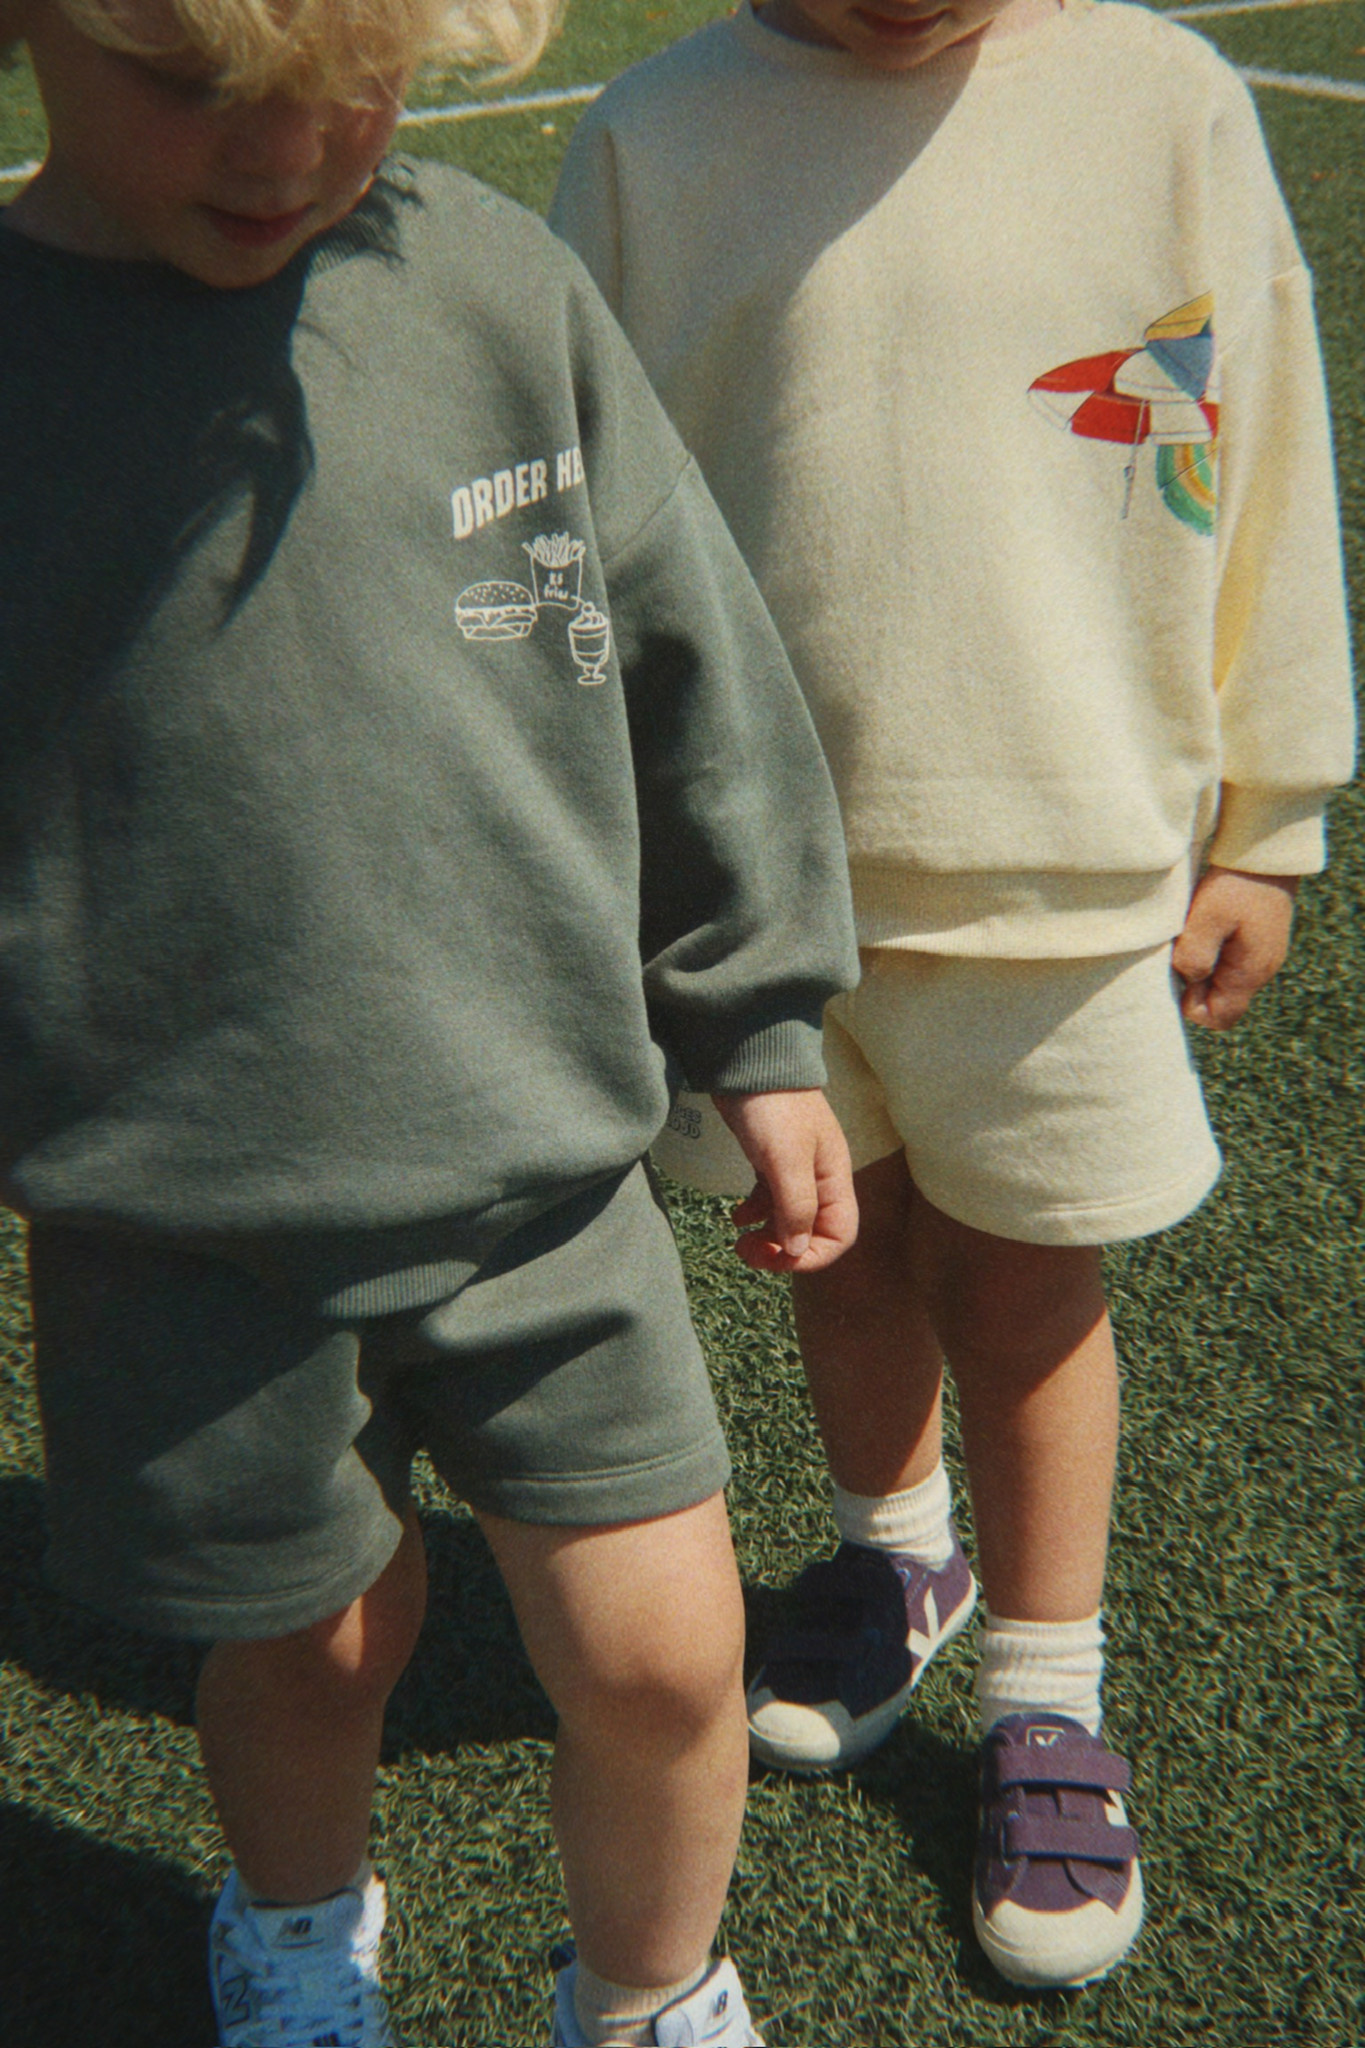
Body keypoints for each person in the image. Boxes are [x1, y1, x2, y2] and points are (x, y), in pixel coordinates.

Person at [0, 4, 863, 2043]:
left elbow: (685, 652)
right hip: (181, 1223)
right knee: (309, 1650)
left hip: (537, 1175)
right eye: (194, 83)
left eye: (345, 84)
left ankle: (650, 1996)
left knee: (664, 1655)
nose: (282, 151)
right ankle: (298, 1942)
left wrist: (758, 1016)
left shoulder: (492, 282)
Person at [550, 0, 1357, 1991]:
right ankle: (893, 1557)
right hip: (759, 887)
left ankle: (1045, 1694)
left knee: (1022, 1288)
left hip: (1067, 861)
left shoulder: (1156, 100)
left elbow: (1262, 450)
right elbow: (565, 521)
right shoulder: (652, 138)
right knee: (831, 1252)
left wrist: (1269, 817)